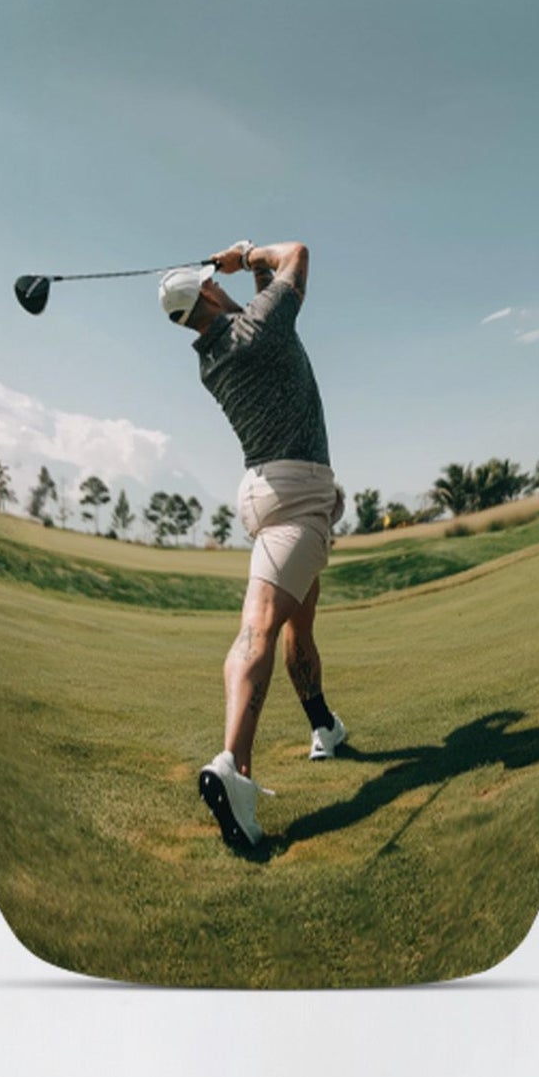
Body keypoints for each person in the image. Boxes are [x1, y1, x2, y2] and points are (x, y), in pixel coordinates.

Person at [159, 239, 347, 850]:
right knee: (260, 624)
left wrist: (241, 275)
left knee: (300, 620)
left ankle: (324, 726)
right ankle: (233, 766)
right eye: (213, 285)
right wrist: (247, 253)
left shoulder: (214, 355)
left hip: (263, 491)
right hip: (299, 493)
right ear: (210, 295)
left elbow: (264, 301)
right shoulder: (258, 328)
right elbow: (298, 254)